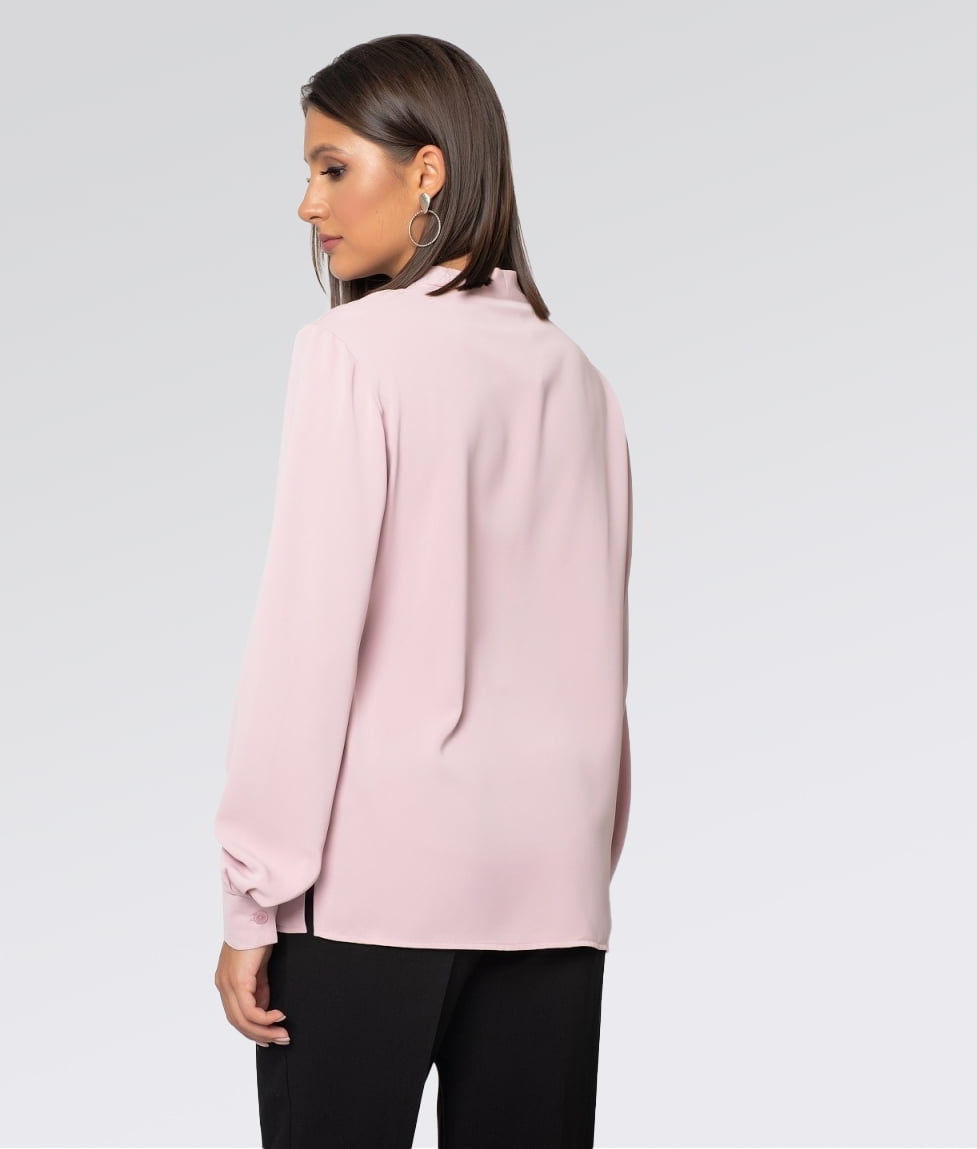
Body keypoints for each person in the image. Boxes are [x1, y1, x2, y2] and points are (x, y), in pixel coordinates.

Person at [212, 33, 633, 1149]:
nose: (309, 204)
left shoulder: (354, 350)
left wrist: (254, 895)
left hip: (374, 887)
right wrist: (579, 858)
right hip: (552, 889)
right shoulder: (578, 378)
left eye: (333, 167)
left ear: (428, 172)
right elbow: (600, 653)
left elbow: (307, 639)